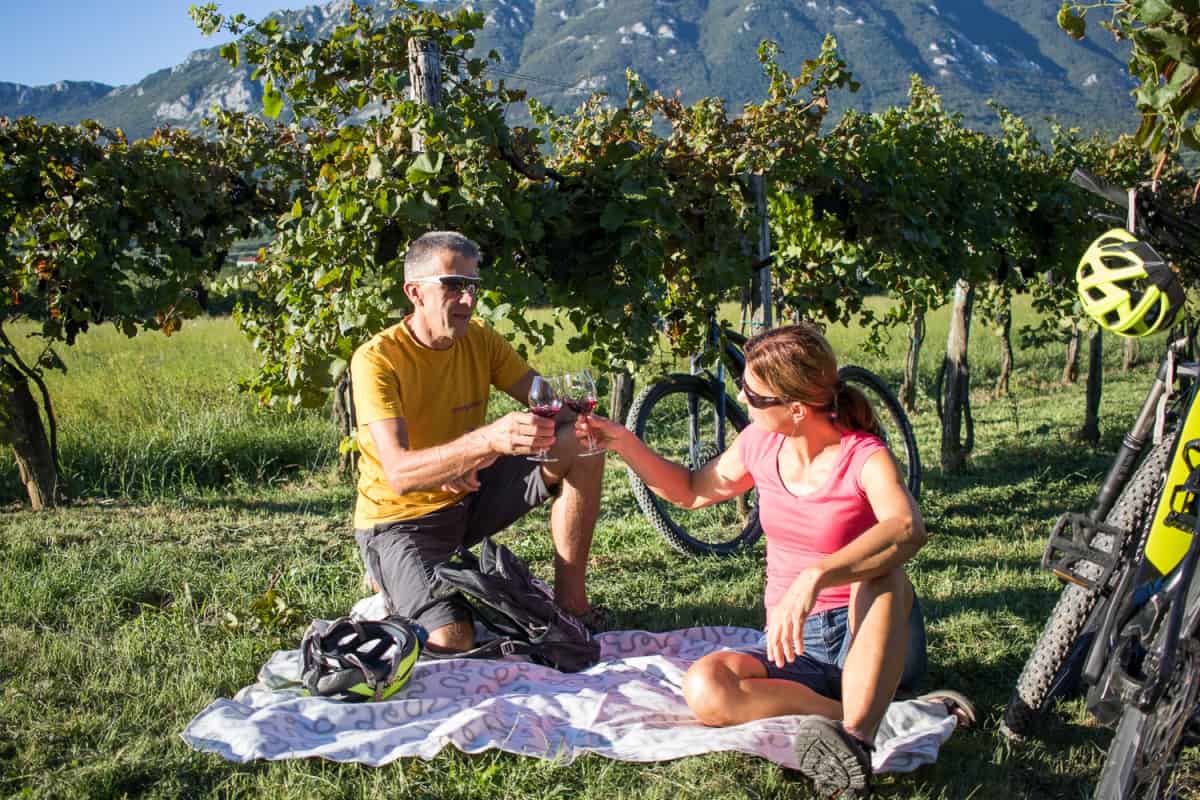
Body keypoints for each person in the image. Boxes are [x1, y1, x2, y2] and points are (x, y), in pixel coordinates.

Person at [576, 323, 973, 798]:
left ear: (798, 409)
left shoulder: (862, 456)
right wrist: (622, 441)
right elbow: (690, 490)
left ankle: (857, 743)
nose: (742, 400)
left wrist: (818, 575)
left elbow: (907, 528)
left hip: (868, 633)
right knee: (707, 686)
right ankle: (871, 714)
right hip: (796, 644)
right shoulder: (760, 445)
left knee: (884, 574)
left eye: (753, 395)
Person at [350, 231, 607, 654]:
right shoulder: (377, 359)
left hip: (468, 497)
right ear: (414, 292)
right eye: (453, 286)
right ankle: (392, 586)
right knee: (452, 639)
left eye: (473, 287)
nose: (468, 300)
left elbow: (550, 403)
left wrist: (586, 422)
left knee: (581, 444)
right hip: (400, 522)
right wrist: (487, 440)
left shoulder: (481, 339)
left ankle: (572, 607)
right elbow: (399, 474)